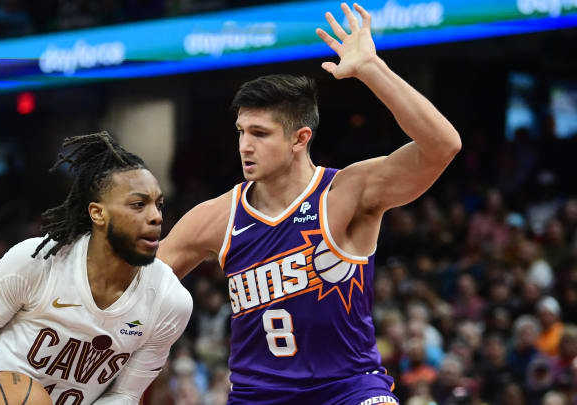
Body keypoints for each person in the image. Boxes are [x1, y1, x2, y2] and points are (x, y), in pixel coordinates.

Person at [157, 2, 461, 404]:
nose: (245, 146)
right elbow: (140, 290)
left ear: (300, 139)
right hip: (257, 396)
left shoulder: (347, 192)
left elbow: (443, 146)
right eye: (241, 131)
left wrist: (372, 68)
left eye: (260, 134)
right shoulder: (214, 217)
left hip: (349, 388)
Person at [0, 133, 192, 405]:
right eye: (138, 205)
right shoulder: (37, 261)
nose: (156, 216)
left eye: (159, 204)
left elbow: (124, 394)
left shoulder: (170, 302)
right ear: (98, 213)